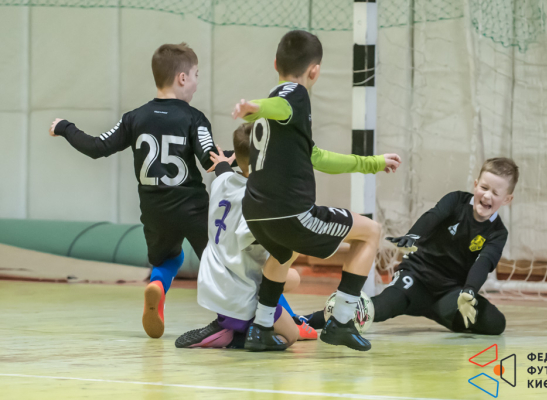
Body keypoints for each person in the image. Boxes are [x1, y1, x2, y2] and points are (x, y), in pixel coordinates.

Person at [232, 30, 401, 351]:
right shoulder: (294, 95)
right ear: (315, 71)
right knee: (371, 232)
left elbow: (318, 157)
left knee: (284, 252)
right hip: (291, 213)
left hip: (255, 212)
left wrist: (372, 162)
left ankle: (261, 328)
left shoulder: (280, 108)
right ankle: (341, 321)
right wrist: (254, 108)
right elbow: (278, 106)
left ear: (275, 63)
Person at [49, 43, 231, 339]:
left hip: (154, 211)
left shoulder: (134, 118)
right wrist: (247, 155)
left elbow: (96, 147)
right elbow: (211, 159)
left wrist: (65, 127)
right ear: (182, 78)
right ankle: (248, 320)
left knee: (168, 259)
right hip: (192, 208)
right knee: (222, 263)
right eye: (196, 75)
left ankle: (157, 285)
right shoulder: (194, 118)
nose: (197, 82)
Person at [176, 122, 401, 349]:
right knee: (291, 335)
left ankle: (243, 321)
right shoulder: (257, 205)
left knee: (292, 277)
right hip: (237, 293)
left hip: (213, 281)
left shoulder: (222, 181)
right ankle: (235, 333)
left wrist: (224, 162)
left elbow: (224, 169)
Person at [301, 158, 518, 336]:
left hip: (449, 292)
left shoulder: (498, 233)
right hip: (415, 277)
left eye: (495, 193)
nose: (487, 196)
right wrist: (413, 235)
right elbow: (433, 216)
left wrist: (469, 291)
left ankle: (443, 312)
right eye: (484, 188)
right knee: (375, 309)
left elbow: (484, 262)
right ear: (476, 184)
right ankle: (304, 321)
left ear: (507, 199)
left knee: (495, 323)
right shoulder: (456, 201)